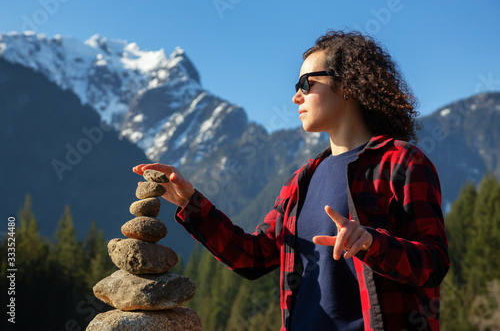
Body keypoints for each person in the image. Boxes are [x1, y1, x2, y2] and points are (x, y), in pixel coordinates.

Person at [133, 30, 450, 331]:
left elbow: (433, 264)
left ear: (347, 86)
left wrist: (371, 242)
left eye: (306, 83)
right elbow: (254, 257)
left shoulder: (401, 162)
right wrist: (191, 203)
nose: (296, 96)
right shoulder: (300, 182)